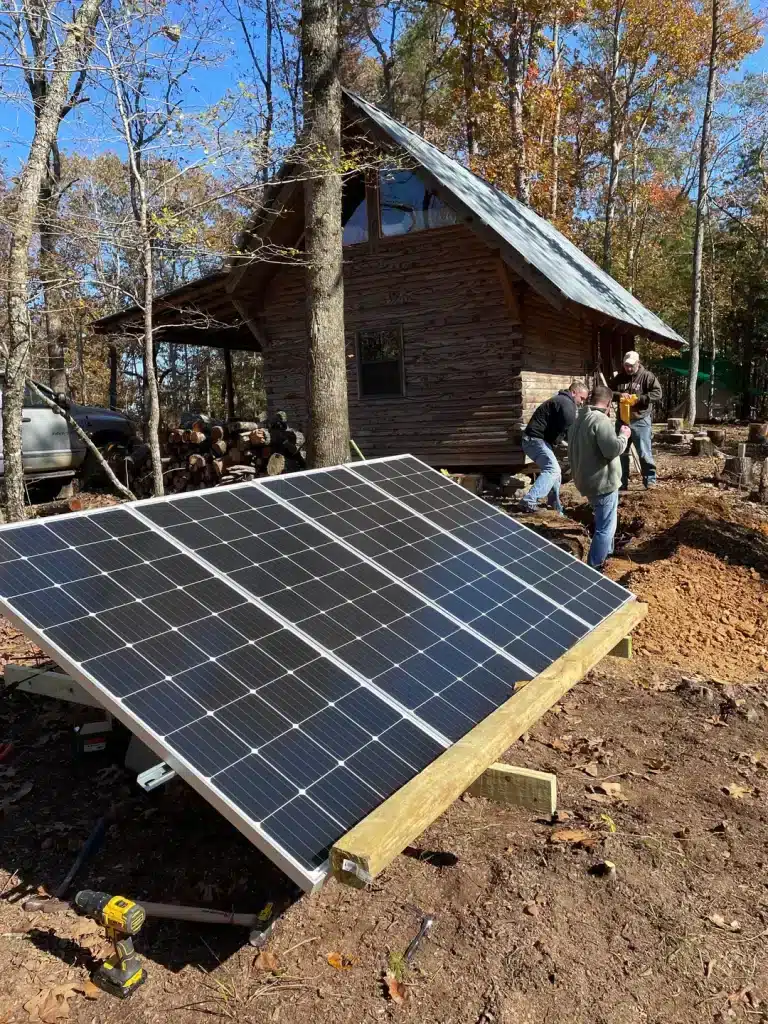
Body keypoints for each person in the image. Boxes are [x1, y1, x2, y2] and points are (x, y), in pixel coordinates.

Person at [568, 384, 632, 570]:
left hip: (585, 478)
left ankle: (608, 554)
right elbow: (612, 450)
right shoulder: (600, 420)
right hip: (601, 482)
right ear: (609, 402)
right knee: (606, 528)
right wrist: (623, 436)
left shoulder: (578, 419)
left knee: (606, 521)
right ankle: (595, 566)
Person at [519, 381, 589, 514]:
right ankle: (529, 500)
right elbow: (571, 429)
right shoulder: (566, 403)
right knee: (553, 469)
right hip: (534, 440)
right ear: (574, 392)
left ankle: (554, 504)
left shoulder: (562, 401)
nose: (582, 402)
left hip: (538, 440)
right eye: (582, 398)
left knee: (555, 473)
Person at [611, 350, 663, 490]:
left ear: (638, 363)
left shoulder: (647, 376)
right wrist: (619, 395)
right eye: (626, 365)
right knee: (621, 452)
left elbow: (658, 393)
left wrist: (640, 399)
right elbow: (608, 391)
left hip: (641, 420)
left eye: (631, 365)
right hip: (622, 420)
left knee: (644, 453)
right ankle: (621, 483)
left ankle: (650, 481)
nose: (628, 368)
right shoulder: (620, 378)